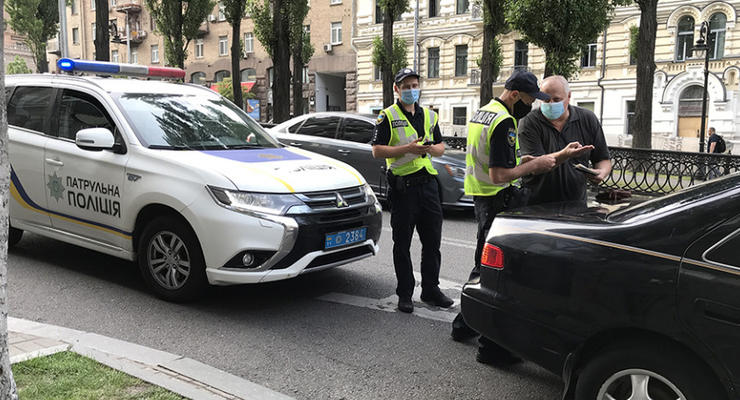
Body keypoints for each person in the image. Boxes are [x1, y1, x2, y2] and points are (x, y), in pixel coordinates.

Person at [451, 70, 594, 365]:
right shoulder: (505, 121)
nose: (532, 106)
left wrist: (546, 158)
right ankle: (490, 347)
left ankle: (464, 325)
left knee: (484, 267)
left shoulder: (484, 113)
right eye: (530, 100)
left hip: (482, 197)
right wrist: (532, 166)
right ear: (515, 95)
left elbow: (495, 159)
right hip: (496, 198)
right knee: (496, 274)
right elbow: (499, 174)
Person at [372, 68, 453, 314]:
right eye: (406, 86)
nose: (411, 90)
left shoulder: (429, 115)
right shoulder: (387, 116)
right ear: (396, 89)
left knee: (432, 242)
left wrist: (429, 149)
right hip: (403, 188)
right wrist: (407, 149)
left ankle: (431, 289)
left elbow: (441, 147)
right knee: (402, 244)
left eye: (414, 85)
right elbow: (377, 150)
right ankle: (405, 293)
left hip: (428, 186)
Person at [518, 75, 612, 206]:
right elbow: (535, 166)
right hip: (536, 205)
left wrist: (601, 172)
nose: (551, 104)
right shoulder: (529, 121)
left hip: (576, 204)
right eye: (546, 100)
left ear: (569, 96)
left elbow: (603, 159)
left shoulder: (587, 119)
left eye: (556, 99)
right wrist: (565, 154)